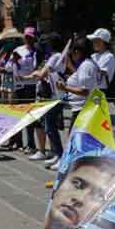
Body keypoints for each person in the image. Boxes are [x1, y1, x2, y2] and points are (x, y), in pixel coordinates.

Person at [23, 34, 66, 165]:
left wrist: (36, 74)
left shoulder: (55, 57)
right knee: (49, 127)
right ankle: (57, 154)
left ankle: (60, 155)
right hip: (54, 95)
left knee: (50, 127)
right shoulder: (57, 56)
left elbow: (42, 74)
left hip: (55, 96)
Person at [56, 39, 101, 145]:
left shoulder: (86, 66)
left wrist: (65, 88)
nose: (72, 56)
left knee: (75, 141)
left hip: (83, 109)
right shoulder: (87, 64)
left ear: (78, 52)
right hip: (83, 108)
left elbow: (85, 91)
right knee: (77, 140)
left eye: (72, 53)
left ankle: (73, 161)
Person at [5, 27, 41, 153]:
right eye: (26, 37)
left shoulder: (37, 51)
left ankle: (30, 144)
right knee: (17, 115)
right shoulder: (17, 50)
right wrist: (14, 61)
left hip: (30, 85)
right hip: (17, 86)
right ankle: (18, 142)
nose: (28, 39)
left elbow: (37, 68)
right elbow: (8, 67)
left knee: (29, 115)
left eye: (30, 37)